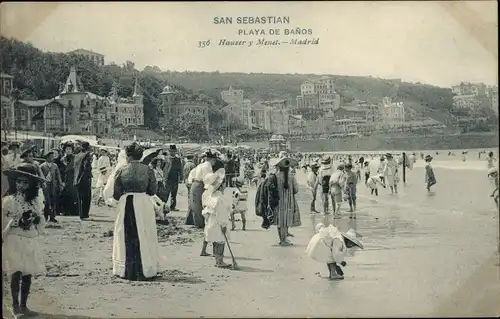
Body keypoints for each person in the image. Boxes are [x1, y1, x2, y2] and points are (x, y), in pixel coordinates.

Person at [2, 163, 47, 316]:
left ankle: (24, 305)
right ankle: (15, 306)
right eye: (19, 181)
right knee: (16, 272)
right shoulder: (8, 200)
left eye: (25, 182)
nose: (21, 185)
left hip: (29, 239)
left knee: (28, 272)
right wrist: (14, 221)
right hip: (14, 238)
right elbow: (3, 219)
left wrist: (34, 219)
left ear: (31, 184)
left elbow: (41, 220)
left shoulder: (33, 202)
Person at [112, 143, 159, 281]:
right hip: (143, 203)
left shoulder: (121, 170)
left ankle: (126, 269)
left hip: (126, 202)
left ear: (128, 156)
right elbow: (152, 190)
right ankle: (145, 268)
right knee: (144, 233)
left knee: (126, 233)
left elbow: (116, 193)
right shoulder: (148, 170)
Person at [201, 161, 232, 268]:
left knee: (215, 240)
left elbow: (205, 210)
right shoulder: (220, 198)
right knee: (221, 242)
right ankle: (220, 261)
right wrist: (223, 225)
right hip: (218, 222)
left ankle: (217, 260)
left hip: (211, 221)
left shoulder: (209, 196)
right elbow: (222, 213)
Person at [273, 155, 301, 246]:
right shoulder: (291, 177)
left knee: (279, 221)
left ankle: (281, 239)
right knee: (285, 222)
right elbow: (296, 190)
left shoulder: (275, 176)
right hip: (289, 202)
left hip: (277, 201)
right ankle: (283, 240)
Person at [186, 151, 218, 230]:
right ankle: (199, 224)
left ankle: (193, 222)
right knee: (199, 206)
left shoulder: (201, 165)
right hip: (199, 185)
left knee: (194, 205)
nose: (215, 162)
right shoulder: (207, 166)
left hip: (195, 184)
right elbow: (207, 180)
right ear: (211, 159)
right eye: (214, 160)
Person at [39, 150, 63, 222]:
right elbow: (40, 176)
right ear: (46, 158)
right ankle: (46, 215)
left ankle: (52, 216)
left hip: (53, 185)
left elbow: (58, 175)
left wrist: (60, 183)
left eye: (52, 157)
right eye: (50, 157)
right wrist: (41, 184)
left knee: (53, 199)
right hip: (45, 185)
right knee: (46, 200)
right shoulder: (42, 166)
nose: (52, 158)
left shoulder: (55, 166)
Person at [73, 141, 93, 220]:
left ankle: (81, 214)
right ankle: (84, 215)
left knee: (80, 197)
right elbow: (86, 168)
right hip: (84, 178)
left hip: (77, 179)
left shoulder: (77, 155)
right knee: (86, 197)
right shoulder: (86, 155)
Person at [163, 144, 183, 212]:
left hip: (175, 179)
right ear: (169, 151)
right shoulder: (166, 159)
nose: (172, 152)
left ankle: (173, 207)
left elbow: (180, 169)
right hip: (167, 179)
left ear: (176, 151)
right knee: (165, 194)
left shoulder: (178, 160)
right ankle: (163, 207)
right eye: (171, 151)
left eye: (174, 151)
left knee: (174, 195)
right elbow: (163, 169)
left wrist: (181, 177)